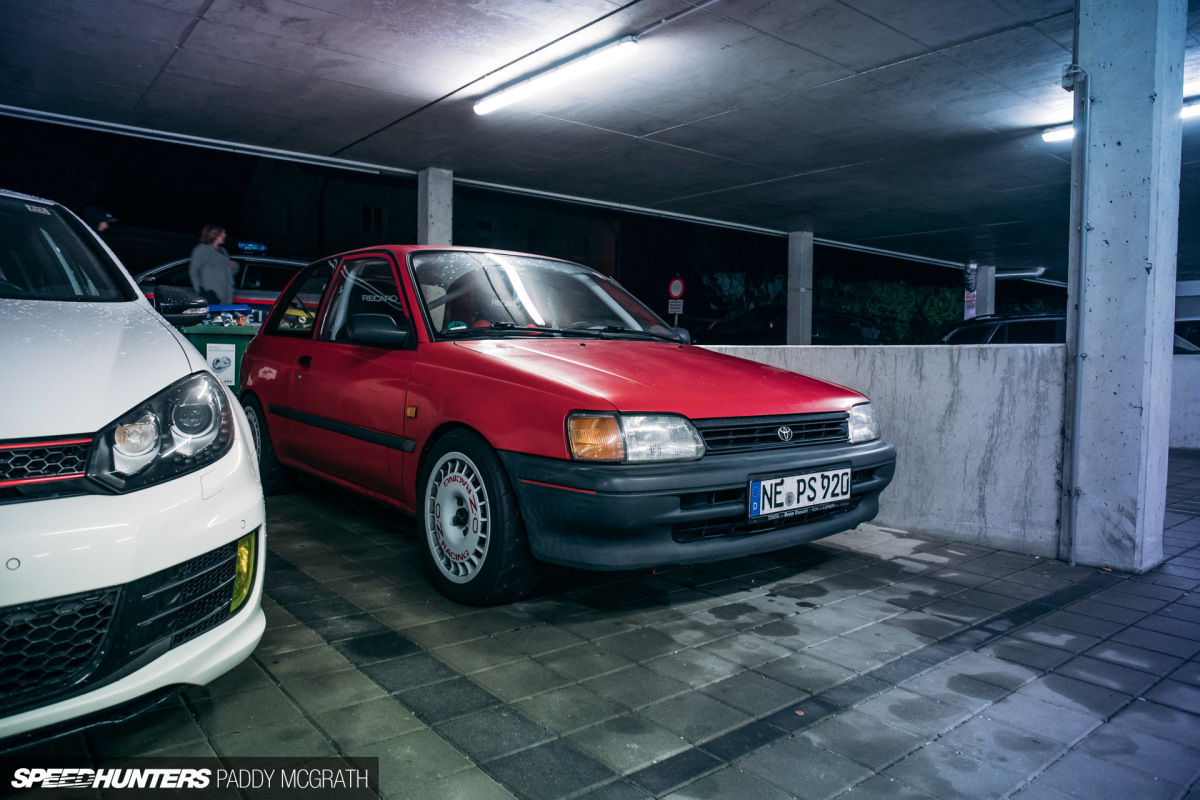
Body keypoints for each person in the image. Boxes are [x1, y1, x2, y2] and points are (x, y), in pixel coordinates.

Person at [188, 224, 238, 305]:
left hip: (225, 294)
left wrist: (234, 267)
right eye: (222, 233)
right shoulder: (201, 250)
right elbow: (193, 272)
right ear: (214, 234)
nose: (225, 235)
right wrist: (200, 291)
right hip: (211, 295)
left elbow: (227, 273)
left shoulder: (223, 251)